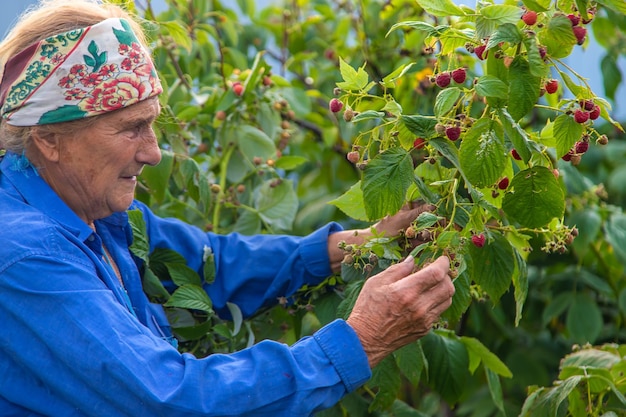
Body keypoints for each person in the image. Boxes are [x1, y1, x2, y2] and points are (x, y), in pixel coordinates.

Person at [0, 0, 455, 415]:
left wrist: (352, 245)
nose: (154, 152)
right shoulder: (29, 255)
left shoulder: (88, 208)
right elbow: (170, 401)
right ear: (50, 140)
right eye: (131, 129)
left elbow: (211, 262)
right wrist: (360, 341)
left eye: (153, 124)